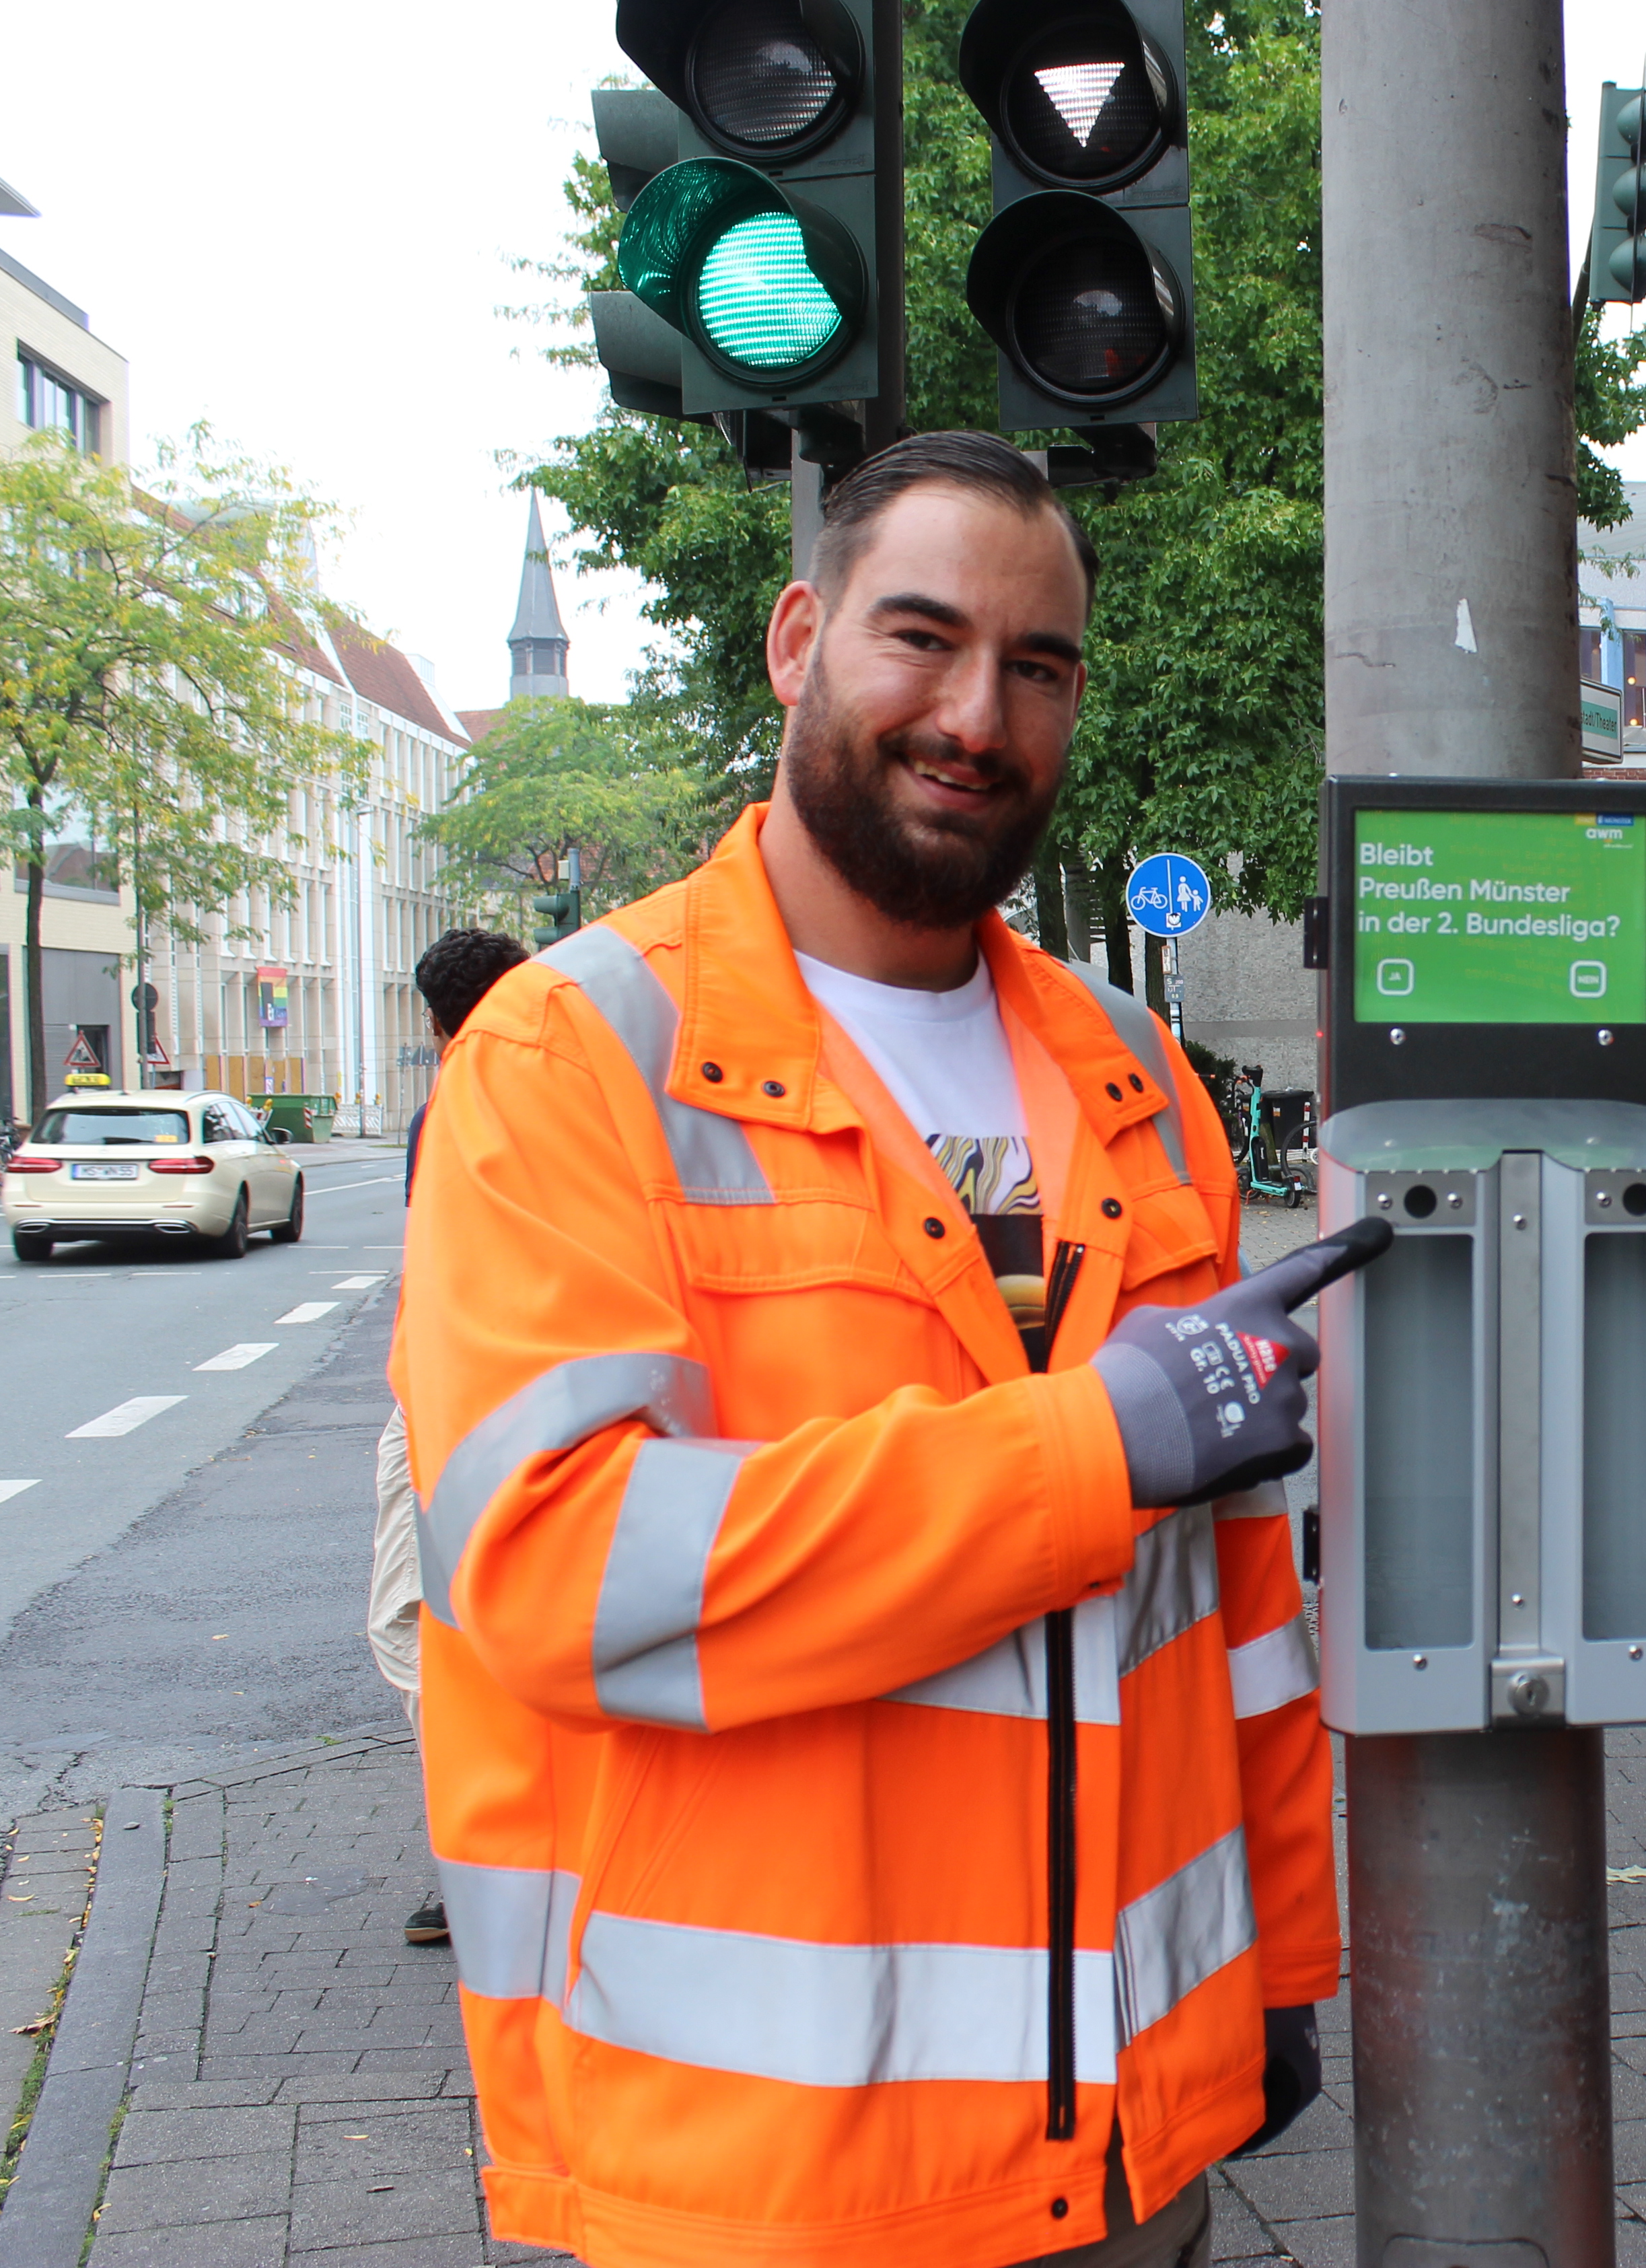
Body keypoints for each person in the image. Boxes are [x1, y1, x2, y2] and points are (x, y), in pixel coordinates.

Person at [394, 433, 1360, 2268]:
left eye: (1039, 666)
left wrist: (1281, 1968)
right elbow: (553, 1562)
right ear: (796, 640)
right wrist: (1093, 1450)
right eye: (920, 638)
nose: (977, 715)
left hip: (1129, 2145)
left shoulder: (1139, 1081)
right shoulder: (571, 1057)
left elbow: (1238, 1598)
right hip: (770, 2187)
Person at [369, 926, 530, 1949]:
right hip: (521, 1390)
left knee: (407, 1624)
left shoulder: (464, 1100)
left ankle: (493, 1853)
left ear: (433, 1024)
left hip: (452, 1400)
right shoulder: (566, 1081)